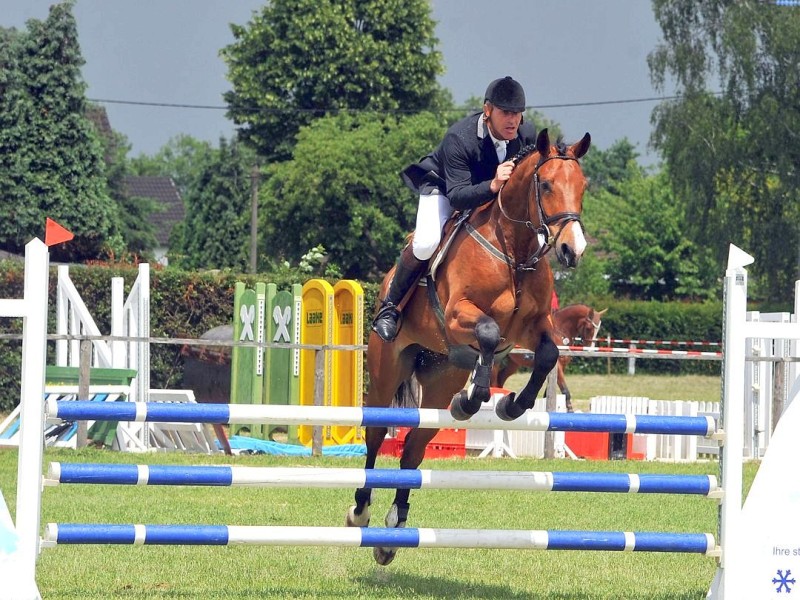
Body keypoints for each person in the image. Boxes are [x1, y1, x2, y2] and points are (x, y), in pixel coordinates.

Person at [372, 76, 538, 342]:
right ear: (487, 110)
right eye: (506, 113)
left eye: (518, 114)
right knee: (426, 242)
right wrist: (494, 184)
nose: (513, 121)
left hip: (487, 193)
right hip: (444, 189)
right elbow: (458, 196)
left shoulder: (526, 135)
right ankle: (390, 308)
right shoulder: (459, 138)